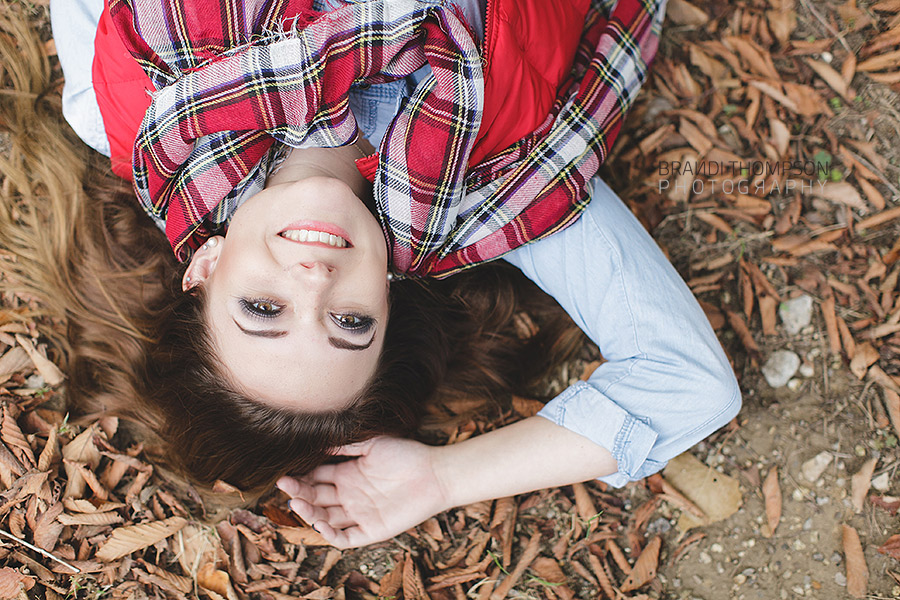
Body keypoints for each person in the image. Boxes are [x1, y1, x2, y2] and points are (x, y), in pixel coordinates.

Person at [0, 0, 741, 548]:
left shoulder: (121, 108)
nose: (315, 278)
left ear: (206, 266)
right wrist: (443, 479)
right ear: (387, 299)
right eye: (349, 325)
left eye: (263, 307)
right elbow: (689, 383)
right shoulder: (495, 189)